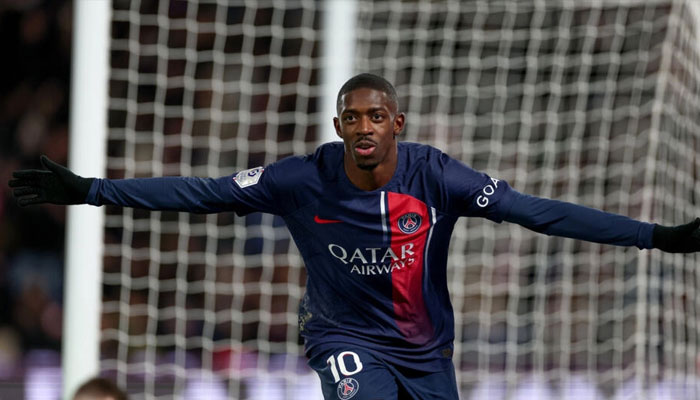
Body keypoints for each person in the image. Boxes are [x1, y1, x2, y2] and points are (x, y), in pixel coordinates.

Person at [9, 73, 700, 399]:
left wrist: (657, 237)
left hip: (428, 354)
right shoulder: (300, 179)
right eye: (352, 117)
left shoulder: (440, 179)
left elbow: (542, 213)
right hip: (342, 339)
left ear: (398, 122)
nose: (364, 127)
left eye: (377, 115)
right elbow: (202, 193)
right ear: (338, 126)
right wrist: (92, 190)